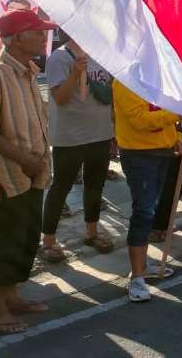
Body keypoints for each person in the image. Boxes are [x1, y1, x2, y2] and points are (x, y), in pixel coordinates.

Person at [0, 10, 56, 334]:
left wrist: (37, 163)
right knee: (8, 241)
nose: (43, 37)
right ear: (18, 37)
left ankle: (12, 298)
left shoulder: (30, 72)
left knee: (26, 237)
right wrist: (26, 160)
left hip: (33, 173)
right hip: (9, 175)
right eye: (37, 32)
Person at [39, 35, 115, 263]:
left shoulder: (102, 54)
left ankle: (91, 232)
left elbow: (109, 96)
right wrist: (74, 74)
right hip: (70, 137)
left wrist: (114, 129)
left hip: (100, 133)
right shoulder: (59, 58)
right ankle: (49, 241)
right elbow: (60, 99)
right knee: (61, 187)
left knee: (95, 185)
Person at [113, 80, 182, 303]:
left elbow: (166, 115)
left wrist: (177, 137)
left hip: (162, 152)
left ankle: (143, 265)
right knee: (143, 212)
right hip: (140, 156)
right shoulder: (124, 81)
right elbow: (142, 121)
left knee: (150, 209)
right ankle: (137, 277)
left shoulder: (157, 77)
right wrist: (178, 114)